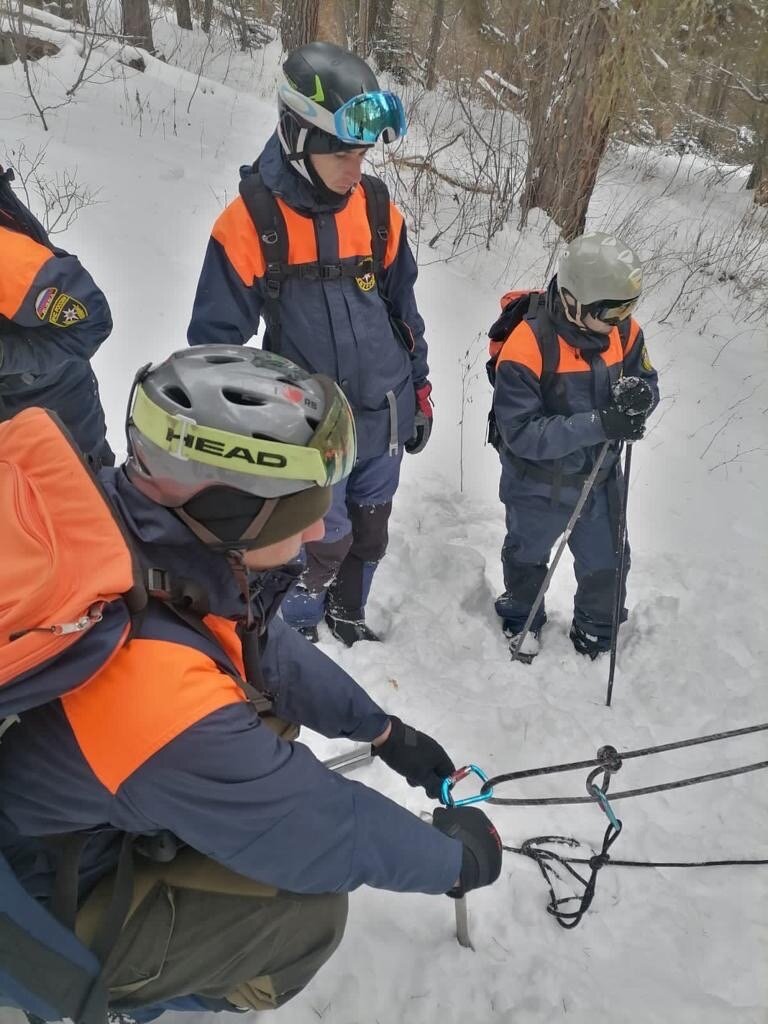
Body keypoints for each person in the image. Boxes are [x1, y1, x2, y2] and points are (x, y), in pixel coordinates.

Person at [0, 346, 501, 1023]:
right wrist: (453, 861)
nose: (323, 526)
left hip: (61, 799)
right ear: (233, 513)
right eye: (304, 506)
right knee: (309, 918)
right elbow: (323, 833)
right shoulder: (156, 695)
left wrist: (383, 730)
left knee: (256, 717)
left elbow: (262, 647)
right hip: (33, 892)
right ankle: (115, 986)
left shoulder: (134, 534)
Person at [187, 42, 432, 646]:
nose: (358, 166)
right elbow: (215, 352)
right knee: (321, 538)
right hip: (309, 434)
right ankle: (292, 630)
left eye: (364, 151)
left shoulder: (375, 208)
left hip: (385, 411)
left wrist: (420, 389)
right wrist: (245, 438)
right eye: (344, 152)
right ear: (299, 139)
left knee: (370, 533)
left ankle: (349, 613)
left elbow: (404, 312)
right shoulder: (250, 223)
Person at [490, 232, 659, 661]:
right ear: (573, 300)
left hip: (601, 476)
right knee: (527, 554)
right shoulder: (526, 346)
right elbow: (523, 433)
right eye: (612, 310)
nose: (622, 318)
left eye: (629, 307)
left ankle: (597, 629)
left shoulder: (624, 330)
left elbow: (646, 381)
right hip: (536, 482)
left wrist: (641, 399)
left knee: (609, 559)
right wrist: (601, 423)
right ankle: (521, 614)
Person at [0, 165, 114, 466]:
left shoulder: (8, 262)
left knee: (84, 500)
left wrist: (7, 355)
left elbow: (92, 322)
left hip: (54, 410)